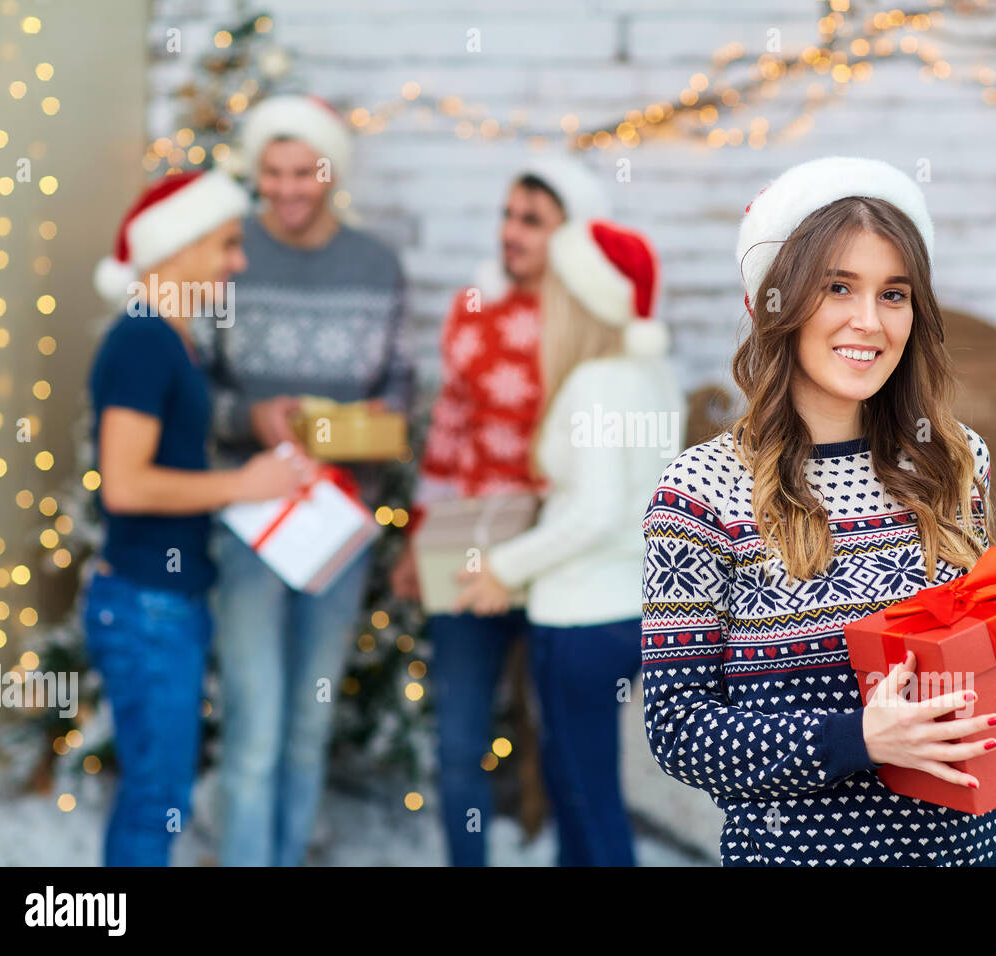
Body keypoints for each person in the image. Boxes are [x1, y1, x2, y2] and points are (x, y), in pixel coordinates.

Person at [640, 156, 996, 867]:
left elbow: (970, 651)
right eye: (838, 287)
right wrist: (860, 739)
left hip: (973, 852)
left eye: (893, 294)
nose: (869, 322)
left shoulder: (955, 462)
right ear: (777, 302)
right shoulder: (699, 492)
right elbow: (679, 732)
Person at [196, 94, 415, 867]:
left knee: (306, 724)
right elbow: (196, 392)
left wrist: (352, 430)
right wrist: (251, 420)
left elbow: (397, 396)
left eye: (304, 172)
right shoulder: (228, 257)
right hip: (247, 521)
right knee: (253, 726)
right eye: (273, 173)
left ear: (331, 173)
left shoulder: (377, 266)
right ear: (257, 175)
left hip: (338, 524)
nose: (288, 189)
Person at [84, 169, 314, 866]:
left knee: (162, 792)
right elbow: (124, 486)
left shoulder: (175, 339)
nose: (239, 262)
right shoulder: (144, 340)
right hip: (147, 605)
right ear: (177, 248)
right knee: (157, 799)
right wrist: (240, 484)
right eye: (226, 244)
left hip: (165, 601)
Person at [389, 155, 608, 866]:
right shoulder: (473, 308)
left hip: (556, 555)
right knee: (460, 738)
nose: (511, 232)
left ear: (570, 236)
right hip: (469, 546)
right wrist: (418, 542)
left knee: (568, 738)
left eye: (532, 221)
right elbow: (447, 434)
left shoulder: (589, 325)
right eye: (508, 215)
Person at [453, 219, 686, 866]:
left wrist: (504, 566)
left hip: (580, 616)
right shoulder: (653, 373)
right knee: (580, 787)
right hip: (629, 610)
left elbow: (596, 511)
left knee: (584, 795)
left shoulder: (595, 383)